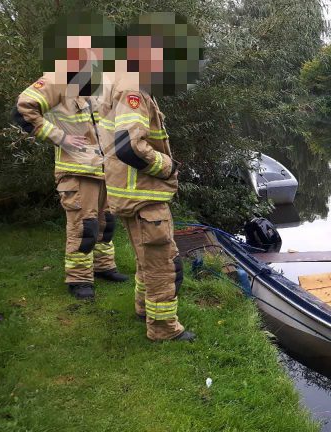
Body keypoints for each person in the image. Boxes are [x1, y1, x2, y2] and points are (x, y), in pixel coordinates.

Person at [98, 13, 202, 341]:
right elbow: (129, 147)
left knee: (147, 259)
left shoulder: (119, 78)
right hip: (143, 194)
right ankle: (163, 328)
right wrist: (166, 166)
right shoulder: (132, 87)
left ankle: (144, 308)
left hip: (131, 191)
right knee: (162, 264)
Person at [13, 13, 128, 300]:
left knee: (106, 224)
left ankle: (104, 266)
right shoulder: (59, 76)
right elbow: (24, 108)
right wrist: (59, 137)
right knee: (84, 226)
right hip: (76, 169)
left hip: (104, 169)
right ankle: (79, 278)